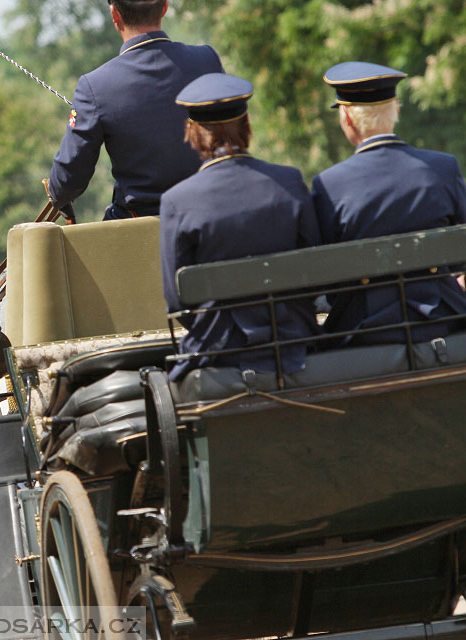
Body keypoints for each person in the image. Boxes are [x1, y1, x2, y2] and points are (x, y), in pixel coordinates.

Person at [160, 73, 322, 381]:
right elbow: (314, 269)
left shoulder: (176, 201)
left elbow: (176, 301)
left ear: (192, 133)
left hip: (219, 349)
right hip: (294, 339)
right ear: (246, 125)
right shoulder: (289, 182)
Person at [312, 61, 466, 346]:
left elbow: (326, 279)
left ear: (346, 117)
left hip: (363, 333)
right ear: (396, 109)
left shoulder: (329, 184)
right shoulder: (443, 167)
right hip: (446, 321)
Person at [46, 0, 223, 220]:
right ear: (165, 7)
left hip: (142, 230)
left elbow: (68, 181)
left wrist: (56, 192)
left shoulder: (95, 85)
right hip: (214, 214)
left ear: (115, 14)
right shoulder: (207, 60)